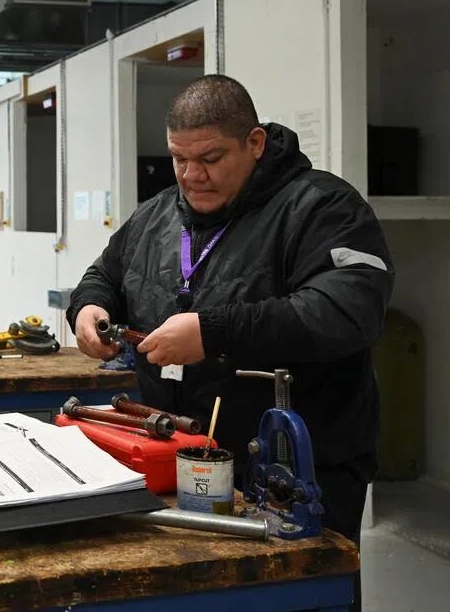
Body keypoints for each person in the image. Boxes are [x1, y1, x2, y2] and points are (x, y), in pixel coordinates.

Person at [67, 74, 393, 553]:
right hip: (181, 457)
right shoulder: (156, 215)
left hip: (295, 472)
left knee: (299, 585)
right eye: (178, 158)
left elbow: (347, 311)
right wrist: (88, 306)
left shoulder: (323, 208)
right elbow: (104, 274)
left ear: (255, 143)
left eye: (211, 158)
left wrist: (213, 332)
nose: (191, 175)